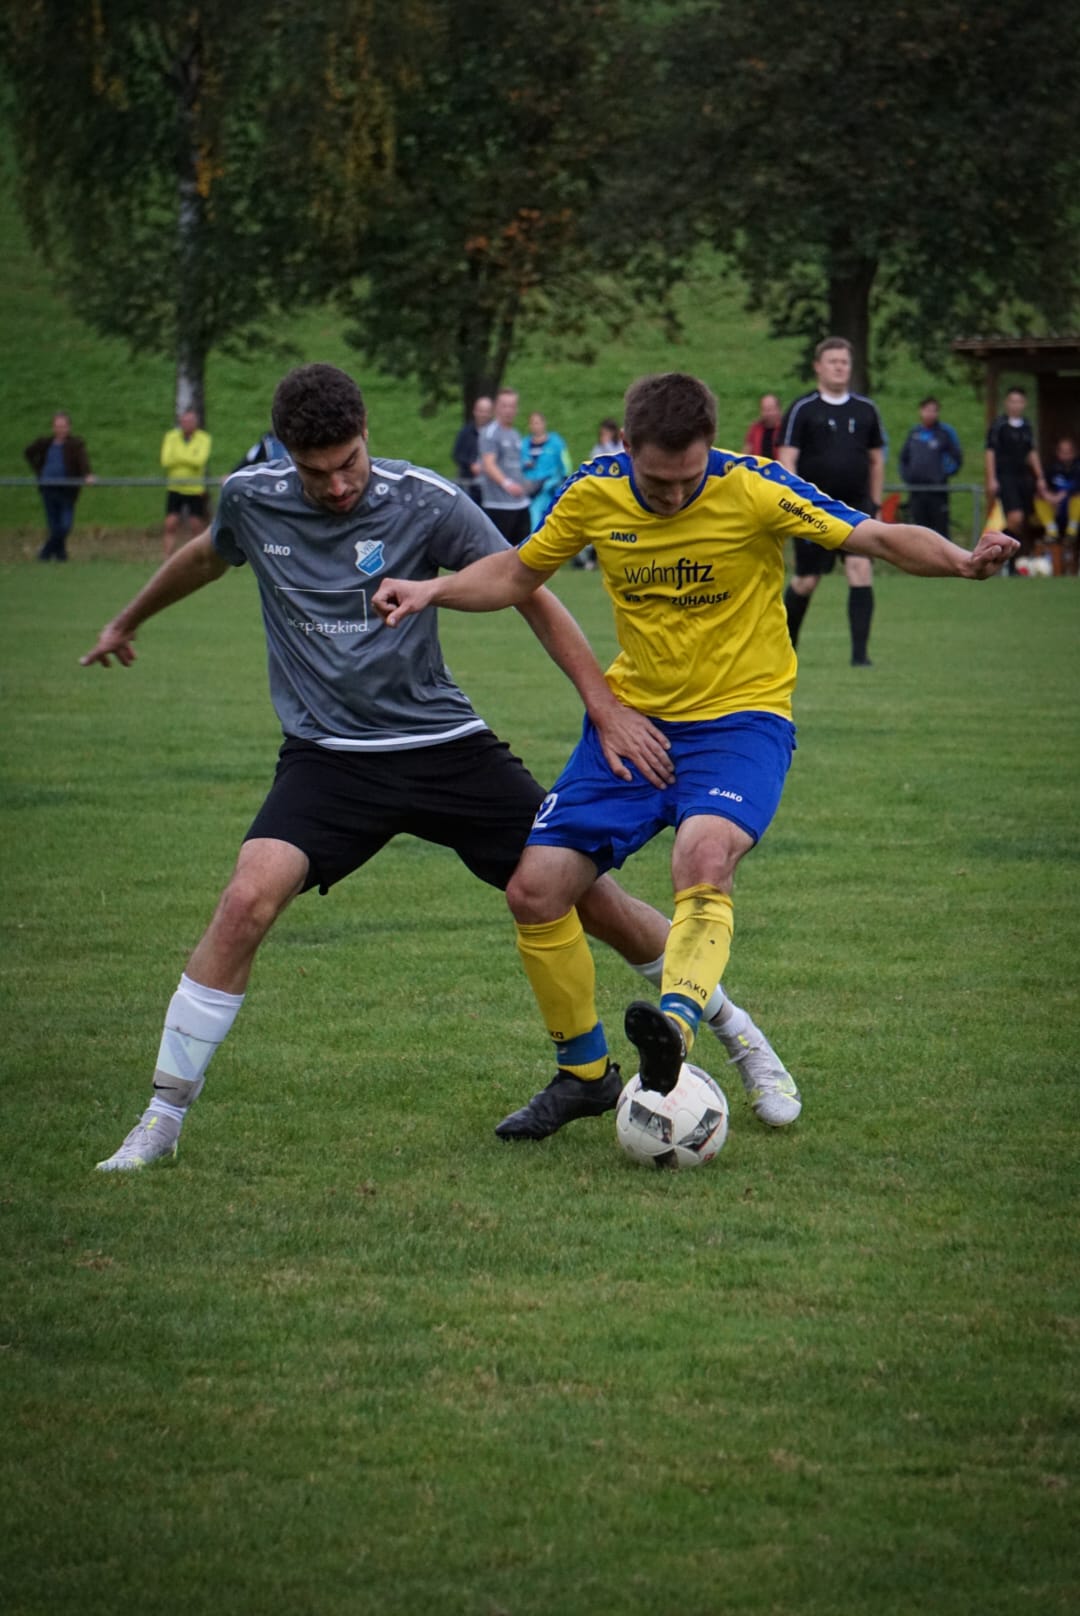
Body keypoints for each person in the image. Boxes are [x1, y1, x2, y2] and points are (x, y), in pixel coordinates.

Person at [81, 363, 777, 1169]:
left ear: (366, 433)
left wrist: (606, 706)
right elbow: (206, 556)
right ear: (286, 455)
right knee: (245, 901)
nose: (338, 485)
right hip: (328, 759)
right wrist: (125, 618)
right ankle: (161, 1120)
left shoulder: (425, 499)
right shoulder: (250, 497)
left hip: (445, 749)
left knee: (587, 899)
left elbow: (529, 589)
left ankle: (739, 1036)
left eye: (349, 463)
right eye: (317, 472)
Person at [374, 371, 1018, 1142]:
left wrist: (960, 559)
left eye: (687, 479)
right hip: (635, 721)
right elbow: (516, 574)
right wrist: (429, 591)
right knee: (535, 890)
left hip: (741, 721)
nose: (674, 496)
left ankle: (674, 1032)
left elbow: (872, 537)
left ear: (710, 448)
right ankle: (590, 1072)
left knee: (703, 858)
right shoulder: (593, 491)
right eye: (657, 479)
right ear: (627, 448)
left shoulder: (754, 488)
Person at [777, 338, 885, 666]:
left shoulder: (866, 410)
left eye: (845, 362)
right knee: (807, 580)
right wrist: (795, 502)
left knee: (860, 568)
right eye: (833, 361)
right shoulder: (802, 409)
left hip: (855, 507)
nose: (840, 367)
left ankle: (859, 657)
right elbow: (786, 458)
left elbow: (876, 460)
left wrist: (874, 502)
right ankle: (785, 648)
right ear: (818, 367)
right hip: (813, 509)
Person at [985, 386, 1050, 569]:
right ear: (1007, 403)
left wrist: (1040, 477)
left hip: (1024, 477)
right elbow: (990, 452)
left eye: (1019, 401)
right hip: (1005, 477)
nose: (1015, 405)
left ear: (1024, 404)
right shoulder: (999, 426)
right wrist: (992, 478)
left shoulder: (1027, 426)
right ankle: (1002, 552)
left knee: (1025, 520)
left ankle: (1013, 556)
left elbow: (1031, 452)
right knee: (1015, 518)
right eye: (1012, 401)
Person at [23, 411, 94, 561]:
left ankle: (44, 554)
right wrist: (39, 471)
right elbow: (28, 452)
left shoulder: (75, 445)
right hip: (48, 490)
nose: (60, 429)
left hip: (66, 491)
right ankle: (61, 556)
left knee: (65, 526)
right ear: (53, 428)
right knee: (54, 526)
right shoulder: (46, 443)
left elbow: (83, 461)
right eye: (57, 426)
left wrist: (87, 474)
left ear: (68, 427)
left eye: (63, 426)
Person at [899, 397, 963, 536]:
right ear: (921, 411)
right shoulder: (914, 433)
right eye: (927, 410)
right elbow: (904, 458)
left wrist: (942, 474)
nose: (930, 414)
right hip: (916, 491)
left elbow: (956, 458)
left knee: (940, 531)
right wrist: (908, 476)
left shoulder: (945, 433)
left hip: (937, 491)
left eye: (934, 411)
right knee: (919, 532)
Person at [478, 387, 531, 543]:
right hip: (499, 504)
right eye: (504, 406)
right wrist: (507, 484)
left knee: (523, 552)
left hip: (520, 502)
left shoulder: (515, 434)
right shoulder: (490, 433)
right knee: (500, 554)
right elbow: (489, 464)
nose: (508, 410)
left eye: (512, 406)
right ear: (496, 408)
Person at [161, 407, 213, 557]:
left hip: (194, 489)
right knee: (170, 524)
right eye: (184, 421)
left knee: (197, 526)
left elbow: (200, 461)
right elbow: (166, 461)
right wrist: (189, 458)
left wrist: (178, 457)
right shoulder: (171, 437)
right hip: (175, 487)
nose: (187, 424)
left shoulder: (204, 438)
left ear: (196, 423)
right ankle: (167, 561)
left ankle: (197, 558)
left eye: (190, 421)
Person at [1034, 435, 1080, 575]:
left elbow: (1076, 486)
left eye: (1069, 451)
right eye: (1063, 451)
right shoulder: (1052, 469)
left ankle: (1072, 532)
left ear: (1074, 452)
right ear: (1058, 453)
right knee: (1038, 498)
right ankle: (1051, 530)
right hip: (1056, 510)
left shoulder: (1078, 468)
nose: (1066, 455)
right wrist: (1048, 496)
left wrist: (1062, 495)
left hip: (1072, 512)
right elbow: (1043, 487)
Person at [520, 411, 572, 529]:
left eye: (538, 423)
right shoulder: (524, 444)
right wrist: (524, 465)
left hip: (550, 486)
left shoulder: (556, 442)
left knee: (546, 516)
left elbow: (565, 461)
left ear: (544, 423)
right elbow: (517, 463)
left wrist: (565, 477)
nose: (535, 426)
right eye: (532, 423)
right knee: (532, 519)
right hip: (531, 487)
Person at [450, 396, 494, 505]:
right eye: (481, 411)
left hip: (492, 486)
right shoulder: (465, 432)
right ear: (475, 411)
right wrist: (470, 464)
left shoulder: (495, 434)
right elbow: (457, 454)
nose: (483, 415)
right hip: (469, 484)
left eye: (486, 412)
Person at [742, 393, 783, 459]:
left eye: (771, 409)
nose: (768, 414)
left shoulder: (786, 429)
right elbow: (746, 451)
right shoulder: (755, 428)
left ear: (779, 410)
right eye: (765, 410)